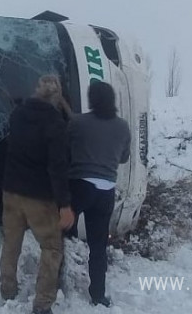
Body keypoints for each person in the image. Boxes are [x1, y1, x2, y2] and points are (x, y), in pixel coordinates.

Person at [0, 75, 75, 314]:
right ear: (57, 98)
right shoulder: (54, 123)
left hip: (11, 191)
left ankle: (7, 290)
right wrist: (64, 204)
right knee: (52, 248)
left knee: (11, 243)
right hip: (39, 198)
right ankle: (42, 305)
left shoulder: (17, 114)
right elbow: (58, 167)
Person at [65, 81, 131, 307]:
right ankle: (98, 295)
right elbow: (123, 157)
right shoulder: (123, 126)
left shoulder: (78, 122)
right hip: (106, 192)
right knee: (98, 245)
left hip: (80, 186)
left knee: (58, 233)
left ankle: (54, 283)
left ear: (92, 99)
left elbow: (66, 147)